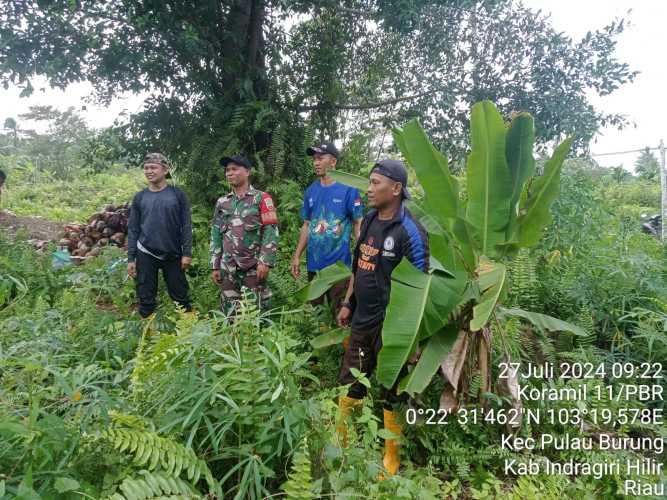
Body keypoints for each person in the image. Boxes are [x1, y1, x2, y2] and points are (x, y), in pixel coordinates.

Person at [335, 159, 429, 477]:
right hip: (363, 318)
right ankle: (343, 445)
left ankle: (391, 458)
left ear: (396, 188)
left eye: (376, 183)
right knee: (350, 382)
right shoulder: (370, 220)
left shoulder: (411, 232)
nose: (369, 188)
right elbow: (358, 266)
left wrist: (413, 340)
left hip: (394, 328)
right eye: (369, 182)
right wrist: (348, 302)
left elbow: (422, 289)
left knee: (392, 392)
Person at [291, 142, 363, 316]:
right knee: (315, 315)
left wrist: (363, 256)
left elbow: (358, 224)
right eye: (314, 159)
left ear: (333, 162)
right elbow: (307, 224)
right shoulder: (311, 191)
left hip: (339, 267)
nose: (316, 162)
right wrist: (296, 256)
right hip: (314, 266)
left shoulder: (349, 190)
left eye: (320, 158)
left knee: (340, 314)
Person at [210, 154, 279, 315]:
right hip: (228, 267)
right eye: (227, 170)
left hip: (253, 267)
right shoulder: (222, 202)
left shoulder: (262, 198)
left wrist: (265, 261)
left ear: (247, 172)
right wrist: (215, 264)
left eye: (234, 169)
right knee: (230, 314)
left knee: (255, 314)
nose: (229, 173)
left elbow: (271, 230)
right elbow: (215, 233)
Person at [127, 153, 193, 318]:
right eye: (146, 168)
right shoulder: (140, 197)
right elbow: (133, 228)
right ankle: (147, 335)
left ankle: (189, 331)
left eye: (153, 167)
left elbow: (186, 225)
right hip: (145, 252)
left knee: (180, 295)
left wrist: (187, 253)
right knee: (145, 296)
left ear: (165, 170)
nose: (149, 171)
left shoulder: (177, 195)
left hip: (173, 253)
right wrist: (131, 258)